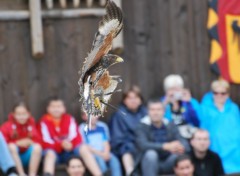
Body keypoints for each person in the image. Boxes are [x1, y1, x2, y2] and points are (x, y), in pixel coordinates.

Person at [38, 97, 102, 176]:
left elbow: (76, 137)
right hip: (54, 153)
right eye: (53, 107)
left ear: (64, 108)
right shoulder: (44, 121)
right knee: (49, 154)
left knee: (83, 148)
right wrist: (60, 145)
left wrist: (70, 144)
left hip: (70, 152)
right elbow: (44, 141)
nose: (56, 109)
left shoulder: (69, 119)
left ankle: (98, 174)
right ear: (48, 109)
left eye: (59, 106)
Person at [135, 99, 190, 176]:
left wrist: (180, 147)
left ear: (164, 111)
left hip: (168, 161)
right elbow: (142, 145)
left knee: (178, 154)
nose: (156, 113)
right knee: (151, 154)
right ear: (148, 111)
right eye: (152, 110)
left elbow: (183, 142)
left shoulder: (170, 124)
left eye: (159, 109)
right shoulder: (142, 125)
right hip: (149, 164)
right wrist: (165, 146)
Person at [200, 79, 240, 174]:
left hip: (234, 149)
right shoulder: (205, 108)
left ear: (228, 94)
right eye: (216, 93)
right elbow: (202, 127)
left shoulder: (234, 108)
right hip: (216, 147)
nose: (219, 95)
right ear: (212, 93)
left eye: (223, 93)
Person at [109, 86, 147, 175]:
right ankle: (130, 172)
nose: (133, 101)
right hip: (126, 146)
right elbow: (117, 138)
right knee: (127, 150)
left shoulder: (146, 113)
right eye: (129, 98)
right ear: (125, 101)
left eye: (136, 98)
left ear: (140, 100)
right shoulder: (119, 115)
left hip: (144, 144)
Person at [1, 103, 42, 176]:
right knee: (11, 146)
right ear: (13, 114)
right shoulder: (6, 126)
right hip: (12, 158)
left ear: (29, 114)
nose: (21, 117)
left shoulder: (32, 125)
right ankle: (21, 174)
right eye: (18, 114)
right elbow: (2, 145)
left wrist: (30, 142)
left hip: (28, 157)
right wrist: (17, 143)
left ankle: (32, 174)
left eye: (24, 114)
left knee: (37, 147)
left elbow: (39, 140)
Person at [161, 74, 200, 139]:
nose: (174, 92)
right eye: (171, 89)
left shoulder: (190, 101)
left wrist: (189, 104)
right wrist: (165, 104)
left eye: (177, 89)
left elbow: (197, 122)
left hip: (189, 134)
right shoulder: (163, 102)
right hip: (169, 135)